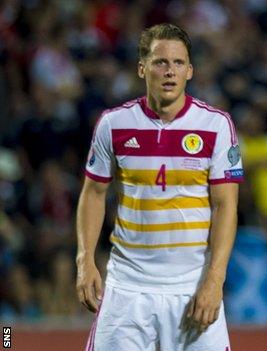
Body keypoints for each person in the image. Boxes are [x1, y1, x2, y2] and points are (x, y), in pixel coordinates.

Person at [75, 23, 243, 351]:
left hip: (191, 285)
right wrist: (85, 260)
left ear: (190, 71)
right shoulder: (114, 123)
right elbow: (93, 193)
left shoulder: (215, 125)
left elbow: (226, 206)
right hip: (128, 288)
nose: (170, 71)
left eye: (178, 63)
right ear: (142, 68)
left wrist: (214, 279)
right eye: (160, 62)